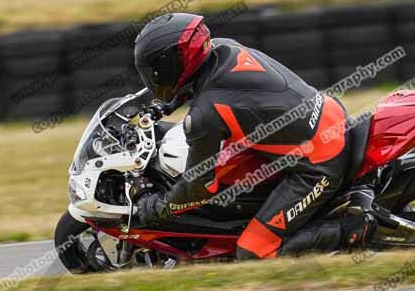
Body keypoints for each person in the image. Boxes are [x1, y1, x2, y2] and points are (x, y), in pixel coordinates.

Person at [132, 13, 376, 259]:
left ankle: (353, 230)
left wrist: (158, 207)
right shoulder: (223, 47)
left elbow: (200, 188)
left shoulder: (205, 115)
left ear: (173, 63)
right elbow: (201, 87)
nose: (153, 77)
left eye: (154, 70)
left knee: (252, 252)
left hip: (320, 163)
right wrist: (163, 107)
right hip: (330, 112)